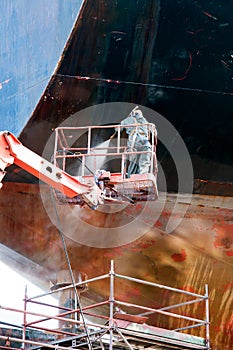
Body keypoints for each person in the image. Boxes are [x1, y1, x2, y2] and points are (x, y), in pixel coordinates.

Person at [110, 106, 156, 177]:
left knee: (133, 162)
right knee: (144, 161)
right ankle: (142, 176)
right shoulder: (144, 121)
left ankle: (131, 176)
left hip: (133, 143)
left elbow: (117, 129)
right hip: (145, 142)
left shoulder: (127, 120)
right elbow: (154, 131)